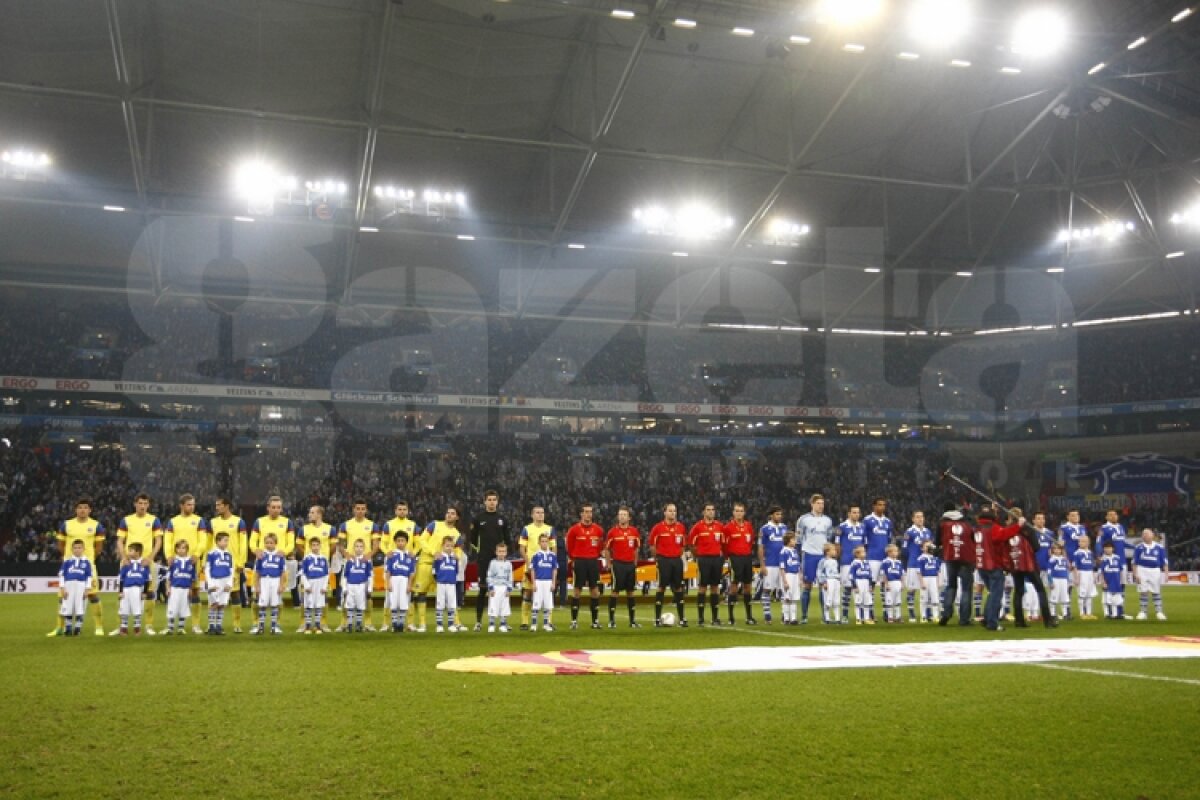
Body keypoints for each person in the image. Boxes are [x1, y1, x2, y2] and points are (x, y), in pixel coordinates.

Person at [49, 498, 105, 637]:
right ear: (76, 509)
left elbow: (99, 547)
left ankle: (98, 626)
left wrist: (89, 560)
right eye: (80, 507)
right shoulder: (66, 525)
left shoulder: (96, 525)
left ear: (90, 510)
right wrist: (67, 558)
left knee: (92, 595)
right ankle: (59, 627)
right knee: (63, 596)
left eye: (85, 507)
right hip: (70, 566)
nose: (82, 510)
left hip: (88, 566)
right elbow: (60, 544)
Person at [115, 493, 162, 636]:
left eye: (145, 503)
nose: (142, 506)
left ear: (148, 505)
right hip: (128, 562)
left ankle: (148, 625)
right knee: (123, 593)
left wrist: (150, 558)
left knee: (149, 593)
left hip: (146, 562)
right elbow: (119, 541)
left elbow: (158, 541)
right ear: (135, 504)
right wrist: (124, 557)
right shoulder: (126, 520)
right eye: (140, 503)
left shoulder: (154, 520)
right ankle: (122, 626)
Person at [413, 507, 465, 632]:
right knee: (421, 593)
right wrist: (433, 552)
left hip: (443, 568)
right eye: (448, 512)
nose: (449, 515)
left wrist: (455, 557)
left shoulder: (457, 535)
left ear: (457, 517)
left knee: (448, 596)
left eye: (453, 513)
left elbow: (458, 551)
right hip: (426, 562)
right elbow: (422, 540)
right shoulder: (434, 525)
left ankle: (455, 623)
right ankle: (422, 624)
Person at [164, 493, 210, 634]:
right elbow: (168, 540)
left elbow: (203, 540)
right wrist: (169, 555)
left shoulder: (199, 521)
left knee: (194, 591)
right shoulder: (173, 522)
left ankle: (195, 624)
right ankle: (171, 624)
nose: (192, 507)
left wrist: (197, 554)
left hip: (192, 560)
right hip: (176, 560)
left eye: (193, 504)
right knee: (173, 590)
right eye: (189, 504)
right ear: (182, 506)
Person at [1003, 509, 1056, 629]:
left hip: (1015, 563)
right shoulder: (1027, 528)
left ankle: (1019, 621)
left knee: (1018, 592)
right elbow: (1036, 547)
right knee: (1040, 590)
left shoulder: (1007, 530)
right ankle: (1048, 620)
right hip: (1028, 563)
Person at [469, 490, 511, 631]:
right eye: (489, 499)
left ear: (497, 502)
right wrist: (480, 552)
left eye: (494, 499)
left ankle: (503, 621)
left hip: (500, 560)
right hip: (484, 559)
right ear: (485, 501)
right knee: (483, 590)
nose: (492, 502)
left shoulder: (502, 519)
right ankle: (479, 622)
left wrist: (504, 555)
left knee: (503, 590)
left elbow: (508, 539)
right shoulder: (478, 518)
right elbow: (473, 539)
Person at [975, 505, 1019, 632]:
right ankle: (992, 623)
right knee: (996, 595)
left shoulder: (977, 528)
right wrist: (1018, 526)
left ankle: (987, 618)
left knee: (992, 593)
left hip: (981, 565)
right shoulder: (993, 528)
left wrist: (995, 511)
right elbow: (1003, 534)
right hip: (993, 565)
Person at [210, 497, 249, 634]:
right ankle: (212, 624)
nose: (217, 508)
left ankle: (236, 624)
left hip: (232, 564)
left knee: (234, 593)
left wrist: (241, 562)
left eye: (219, 505)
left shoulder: (239, 522)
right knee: (213, 593)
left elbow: (243, 542)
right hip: (216, 564)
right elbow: (210, 543)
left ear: (227, 506)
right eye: (216, 505)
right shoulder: (213, 522)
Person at [337, 499, 376, 631]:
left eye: (362, 508)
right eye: (358, 508)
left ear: (366, 510)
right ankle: (344, 623)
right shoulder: (345, 525)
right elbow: (340, 543)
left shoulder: (372, 525)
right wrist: (346, 554)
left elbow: (376, 545)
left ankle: (367, 623)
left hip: (366, 561)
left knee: (367, 593)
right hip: (350, 561)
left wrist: (368, 556)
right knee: (346, 593)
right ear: (353, 509)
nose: (360, 511)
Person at [796, 494, 834, 625]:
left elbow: (829, 539)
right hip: (809, 554)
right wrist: (799, 556)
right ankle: (804, 616)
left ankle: (825, 616)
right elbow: (799, 540)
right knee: (807, 585)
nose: (821, 506)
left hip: (823, 556)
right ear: (812, 504)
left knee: (824, 586)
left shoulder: (828, 520)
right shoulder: (803, 519)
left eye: (822, 503)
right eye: (818, 503)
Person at [566, 503, 605, 630]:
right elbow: (569, 547)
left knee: (595, 591)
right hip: (579, 562)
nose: (589, 514)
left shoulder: (598, 530)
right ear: (581, 514)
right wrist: (575, 558)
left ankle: (594, 621)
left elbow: (600, 546)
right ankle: (574, 621)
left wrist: (595, 555)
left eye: (590, 511)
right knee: (577, 590)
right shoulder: (574, 530)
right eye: (586, 511)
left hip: (593, 562)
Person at [649, 503, 688, 627]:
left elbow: (682, 546)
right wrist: (659, 558)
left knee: (678, 588)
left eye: (674, 511)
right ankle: (656, 619)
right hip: (663, 560)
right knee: (661, 587)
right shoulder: (657, 528)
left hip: (677, 560)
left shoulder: (681, 528)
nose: (673, 513)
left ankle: (682, 619)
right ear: (664, 513)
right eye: (670, 511)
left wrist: (676, 555)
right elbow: (652, 546)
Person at [936, 502, 974, 626]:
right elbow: (973, 539)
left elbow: (937, 542)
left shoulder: (942, 524)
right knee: (966, 589)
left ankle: (946, 614)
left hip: (950, 557)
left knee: (951, 586)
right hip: (966, 558)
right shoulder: (966, 523)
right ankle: (964, 619)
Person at [688, 503, 725, 626]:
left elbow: (723, 543)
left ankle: (715, 618)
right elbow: (691, 544)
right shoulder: (697, 527)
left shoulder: (720, 526)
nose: (710, 512)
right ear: (703, 512)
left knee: (715, 587)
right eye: (708, 510)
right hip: (703, 559)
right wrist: (697, 555)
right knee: (702, 587)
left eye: (712, 510)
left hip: (716, 559)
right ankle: (700, 618)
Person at [604, 507, 642, 628]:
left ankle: (632, 621)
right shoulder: (612, 532)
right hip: (618, 564)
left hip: (630, 565)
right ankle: (611, 621)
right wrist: (609, 564)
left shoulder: (634, 532)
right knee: (615, 591)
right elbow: (607, 549)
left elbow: (636, 548)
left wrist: (635, 563)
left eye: (624, 515)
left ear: (629, 517)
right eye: (620, 514)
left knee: (630, 592)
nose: (622, 517)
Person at [518, 506, 555, 630]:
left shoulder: (549, 529)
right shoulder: (527, 529)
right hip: (532, 567)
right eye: (537, 513)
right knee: (528, 593)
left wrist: (552, 562)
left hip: (545, 568)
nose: (540, 515)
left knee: (548, 595)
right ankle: (525, 621)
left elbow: (553, 547)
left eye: (542, 513)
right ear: (532, 515)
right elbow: (522, 548)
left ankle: (548, 621)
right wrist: (528, 562)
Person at [301, 505, 335, 632]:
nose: (309, 514)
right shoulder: (304, 529)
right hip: (309, 568)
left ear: (319, 514)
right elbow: (299, 546)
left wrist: (324, 556)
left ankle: (322, 623)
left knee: (322, 597)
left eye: (312, 512)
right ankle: (304, 624)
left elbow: (333, 547)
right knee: (306, 597)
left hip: (322, 566)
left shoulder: (330, 529)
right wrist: (307, 555)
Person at [723, 502, 756, 625]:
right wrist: (729, 557)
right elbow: (724, 545)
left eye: (741, 511)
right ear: (733, 513)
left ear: (744, 513)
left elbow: (751, 541)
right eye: (737, 511)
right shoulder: (728, 528)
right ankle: (731, 618)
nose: (739, 513)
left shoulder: (748, 526)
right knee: (734, 586)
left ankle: (749, 616)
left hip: (747, 558)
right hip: (734, 558)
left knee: (747, 586)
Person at [863, 497, 894, 622]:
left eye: (884, 505)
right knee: (871, 585)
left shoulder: (888, 521)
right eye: (880, 505)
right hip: (872, 557)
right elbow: (864, 539)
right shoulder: (867, 520)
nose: (882, 507)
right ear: (874, 506)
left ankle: (887, 612)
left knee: (885, 584)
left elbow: (890, 539)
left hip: (885, 558)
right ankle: (870, 612)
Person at [757, 506, 788, 624]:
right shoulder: (764, 529)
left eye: (780, 514)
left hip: (782, 565)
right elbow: (760, 547)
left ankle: (785, 615)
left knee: (784, 590)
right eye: (777, 514)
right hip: (770, 563)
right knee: (767, 590)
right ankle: (767, 615)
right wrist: (762, 564)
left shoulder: (784, 528)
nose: (779, 516)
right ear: (771, 515)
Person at [835, 505, 865, 624]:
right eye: (854, 512)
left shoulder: (862, 527)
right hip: (847, 561)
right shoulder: (842, 527)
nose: (856, 514)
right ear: (849, 514)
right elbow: (837, 545)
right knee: (847, 588)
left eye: (858, 512)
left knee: (861, 589)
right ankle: (845, 615)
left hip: (859, 562)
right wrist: (839, 558)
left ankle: (861, 615)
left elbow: (863, 544)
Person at [251, 533, 286, 636]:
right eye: (267, 542)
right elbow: (257, 572)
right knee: (262, 604)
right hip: (264, 580)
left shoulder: (280, 556)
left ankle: (274, 627)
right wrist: (257, 586)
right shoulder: (261, 556)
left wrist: (281, 585)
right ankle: (260, 627)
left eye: (271, 543)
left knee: (275, 604)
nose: (269, 545)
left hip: (275, 581)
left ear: (275, 543)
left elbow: (283, 572)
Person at [57, 539, 93, 636]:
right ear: (72, 549)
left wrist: (87, 589)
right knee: (68, 607)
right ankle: (68, 628)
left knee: (80, 607)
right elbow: (62, 575)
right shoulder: (67, 561)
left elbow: (89, 576)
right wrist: (62, 588)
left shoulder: (87, 562)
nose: (77, 550)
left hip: (81, 585)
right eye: (75, 548)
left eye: (79, 548)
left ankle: (77, 628)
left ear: (83, 549)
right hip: (69, 585)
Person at [902, 511, 932, 623]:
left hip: (926, 564)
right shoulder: (909, 532)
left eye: (922, 517)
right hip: (913, 564)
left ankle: (928, 614)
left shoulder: (927, 531)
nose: (920, 519)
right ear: (913, 519)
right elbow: (904, 550)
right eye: (918, 517)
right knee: (912, 590)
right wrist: (910, 560)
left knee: (927, 589)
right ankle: (911, 614)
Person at [1132, 529, 1168, 621]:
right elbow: (1134, 562)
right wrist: (1135, 574)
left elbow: (1164, 562)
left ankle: (1159, 612)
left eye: (1147, 534)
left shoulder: (1159, 547)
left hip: (1155, 570)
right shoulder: (1139, 547)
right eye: (1143, 534)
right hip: (1142, 569)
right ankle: (1143, 612)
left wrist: (1166, 574)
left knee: (1156, 591)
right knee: (1143, 591)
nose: (1145, 535)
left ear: (1152, 535)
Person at [205, 531, 235, 635]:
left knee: (222, 604)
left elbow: (232, 569)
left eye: (227, 540)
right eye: (225, 540)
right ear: (218, 541)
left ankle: (219, 626)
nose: (226, 543)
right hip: (215, 581)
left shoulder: (229, 555)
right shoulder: (211, 554)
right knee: (214, 604)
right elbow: (207, 569)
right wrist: (210, 584)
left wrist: (230, 583)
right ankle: (211, 626)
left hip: (225, 582)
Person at [385, 531, 415, 633]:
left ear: (406, 542)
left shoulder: (410, 556)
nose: (400, 543)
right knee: (393, 602)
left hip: (405, 580)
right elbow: (388, 570)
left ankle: (401, 624)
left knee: (403, 601)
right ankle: (394, 624)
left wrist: (410, 585)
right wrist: (388, 583)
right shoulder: (391, 555)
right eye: (398, 541)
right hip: (394, 579)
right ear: (395, 542)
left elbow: (411, 572)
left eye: (402, 540)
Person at [1058, 508, 1087, 619]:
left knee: (1082, 586)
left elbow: (1085, 542)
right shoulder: (1064, 528)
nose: (1076, 517)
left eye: (1077, 515)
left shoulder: (1082, 528)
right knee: (1068, 587)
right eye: (1073, 515)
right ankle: (1066, 611)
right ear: (1068, 517)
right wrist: (1066, 560)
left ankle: (1084, 611)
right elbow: (1061, 545)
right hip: (1069, 560)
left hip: (1081, 561)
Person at [117, 543, 151, 636]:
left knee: (137, 608)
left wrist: (145, 592)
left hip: (138, 589)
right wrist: (120, 591)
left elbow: (147, 580)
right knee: (124, 608)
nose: (128, 553)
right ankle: (123, 628)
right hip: (126, 589)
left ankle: (137, 628)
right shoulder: (126, 563)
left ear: (138, 552)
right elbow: (121, 578)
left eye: (131, 551)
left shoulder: (144, 564)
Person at [300, 537, 331, 634]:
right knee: (308, 604)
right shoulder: (307, 558)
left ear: (320, 546)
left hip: (320, 583)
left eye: (317, 545)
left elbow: (326, 574)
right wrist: (306, 585)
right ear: (310, 546)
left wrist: (324, 586)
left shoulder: (324, 558)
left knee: (319, 605)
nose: (315, 547)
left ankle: (318, 625)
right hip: (310, 583)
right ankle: (308, 626)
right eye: (313, 545)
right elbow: (303, 573)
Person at [166, 540, 196, 635]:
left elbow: (192, 578)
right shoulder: (173, 561)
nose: (181, 550)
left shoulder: (190, 562)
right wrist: (168, 588)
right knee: (172, 607)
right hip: (175, 588)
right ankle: (170, 628)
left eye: (183, 548)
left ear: (187, 549)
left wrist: (191, 589)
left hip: (185, 589)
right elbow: (168, 577)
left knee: (184, 607)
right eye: (179, 548)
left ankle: (181, 628)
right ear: (176, 549)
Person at [529, 533, 558, 631]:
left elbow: (554, 569)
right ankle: (533, 624)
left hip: (548, 581)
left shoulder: (552, 555)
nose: (544, 543)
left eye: (546, 541)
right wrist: (533, 583)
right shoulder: (536, 555)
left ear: (548, 543)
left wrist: (554, 583)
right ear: (539, 543)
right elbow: (532, 570)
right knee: (536, 603)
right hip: (538, 581)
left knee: (547, 604)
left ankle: (546, 624)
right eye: (542, 541)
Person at [342, 539, 373, 633]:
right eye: (357, 546)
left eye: (361, 547)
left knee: (360, 605)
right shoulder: (349, 560)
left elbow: (370, 575)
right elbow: (345, 575)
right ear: (353, 548)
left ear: (364, 548)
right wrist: (344, 587)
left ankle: (359, 625)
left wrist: (369, 588)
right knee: (350, 605)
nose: (359, 549)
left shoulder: (367, 561)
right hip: (350, 585)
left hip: (361, 585)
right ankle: (350, 624)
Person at [433, 536, 461, 633]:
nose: (449, 548)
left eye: (451, 546)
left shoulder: (455, 559)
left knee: (451, 604)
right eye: (447, 546)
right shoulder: (439, 557)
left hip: (451, 584)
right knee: (440, 604)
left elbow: (456, 571)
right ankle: (439, 625)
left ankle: (450, 625)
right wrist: (438, 579)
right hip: (441, 583)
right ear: (443, 546)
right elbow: (434, 570)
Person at [486, 542, 514, 633]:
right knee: (493, 605)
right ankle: (491, 625)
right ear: (496, 552)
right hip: (495, 587)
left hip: (504, 588)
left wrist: (509, 589)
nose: (501, 553)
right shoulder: (493, 563)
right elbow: (489, 575)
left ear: (506, 553)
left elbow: (510, 577)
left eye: (503, 551)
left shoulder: (509, 564)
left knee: (504, 606)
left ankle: (503, 624)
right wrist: (491, 588)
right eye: (500, 551)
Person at [1070, 534, 1097, 620]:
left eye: (1084, 541)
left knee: (1089, 595)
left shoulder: (1090, 553)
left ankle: (1089, 613)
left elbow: (1092, 566)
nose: (1082, 543)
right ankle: (1082, 613)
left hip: (1089, 574)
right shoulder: (1077, 553)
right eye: (1081, 541)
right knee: (1082, 594)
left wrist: (1093, 576)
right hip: (1081, 573)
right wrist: (1076, 578)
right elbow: (1075, 566)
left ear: (1088, 542)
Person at [1098, 541, 1125, 620]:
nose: (1108, 549)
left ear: (1113, 549)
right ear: (1103, 549)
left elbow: (1120, 570)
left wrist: (1121, 581)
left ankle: (1115, 614)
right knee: (1105, 599)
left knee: (1115, 598)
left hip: (1116, 581)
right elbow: (1101, 572)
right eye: (1106, 548)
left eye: (1109, 548)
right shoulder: (1103, 559)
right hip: (1107, 581)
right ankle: (1106, 614)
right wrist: (1103, 582)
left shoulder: (1117, 558)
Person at [815, 543, 841, 624]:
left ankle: (837, 618)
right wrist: (823, 582)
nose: (835, 551)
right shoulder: (823, 561)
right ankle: (827, 618)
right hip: (828, 581)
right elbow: (819, 572)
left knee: (836, 600)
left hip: (836, 580)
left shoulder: (835, 561)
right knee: (827, 600)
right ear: (827, 552)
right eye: (833, 550)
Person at [879, 545, 904, 624]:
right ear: (889, 552)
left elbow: (902, 574)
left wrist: (902, 584)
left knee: (898, 601)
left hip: (898, 582)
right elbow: (884, 574)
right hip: (890, 582)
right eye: (894, 551)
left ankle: (898, 616)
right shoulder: (885, 562)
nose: (896, 553)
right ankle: (890, 617)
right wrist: (886, 583)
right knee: (889, 600)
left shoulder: (899, 562)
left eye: (897, 551)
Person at [779, 532, 800, 625]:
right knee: (787, 597)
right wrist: (784, 580)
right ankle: (786, 618)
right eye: (793, 539)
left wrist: (800, 576)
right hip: (788, 575)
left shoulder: (795, 551)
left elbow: (798, 565)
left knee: (794, 597)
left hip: (795, 575)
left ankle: (794, 618)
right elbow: (782, 567)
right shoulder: (784, 551)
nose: (795, 541)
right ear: (788, 541)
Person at [917, 541, 941, 623]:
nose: (929, 547)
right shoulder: (921, 558)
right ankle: (923, 616)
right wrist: (921, 582)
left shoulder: (935, 558)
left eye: (930, 546)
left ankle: (935, 615)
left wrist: (938, 582)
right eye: (926, 546)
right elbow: (919, 572)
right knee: (924, 598)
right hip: (925, 578)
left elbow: (937, 571)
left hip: (934, 579)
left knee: (935, 598)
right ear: (922, 548)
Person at [848, 546, 873, 625]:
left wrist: (870, 585)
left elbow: (870, 574)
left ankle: (866, 618)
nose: (865, 553)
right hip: (858, 582)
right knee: (858, 601)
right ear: (857, 554)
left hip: (866, 582)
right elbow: (851, 575)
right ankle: (858, 618)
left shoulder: (866, 562)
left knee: (867, 601)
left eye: (865, 551)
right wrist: (854, 586)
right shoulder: (855, 563)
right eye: (863, 552)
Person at [1047, 543, 1070, 621]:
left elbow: (1067, 570)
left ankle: (1065, 614)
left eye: (1059, 549)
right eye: (1055, 549)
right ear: (1053, 550)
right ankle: (1052, 614)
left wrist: (1068, 580)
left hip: (1063, 580)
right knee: (1054, 597)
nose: (1057, 551)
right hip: (1055, 579)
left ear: (1061, 550)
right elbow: (1049, 572)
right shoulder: (1052, 559)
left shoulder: (1064, 559)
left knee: (1064, 597)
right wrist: (1050, 582)